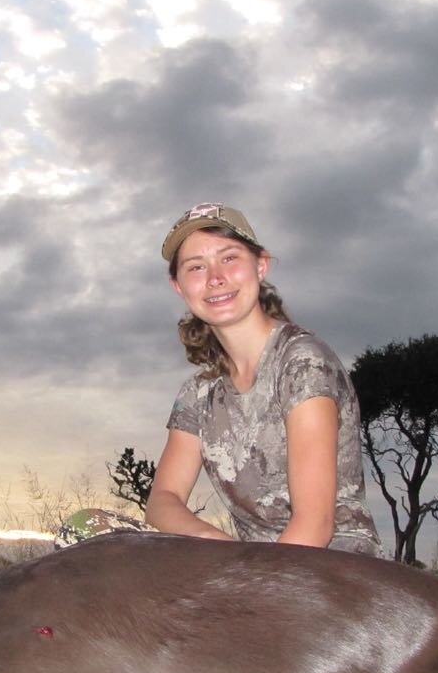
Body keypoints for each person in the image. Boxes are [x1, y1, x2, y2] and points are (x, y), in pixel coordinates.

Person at [56, 203, 382, 556]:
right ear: (178, 286)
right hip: (248, 565)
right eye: (196, 267)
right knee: (84, 531)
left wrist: (246, 582)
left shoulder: (302, 361)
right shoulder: (199, 393)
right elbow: (163, 501)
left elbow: (315, 524)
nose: (215, 278)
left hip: (328, 566)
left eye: (229, 258)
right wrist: (218, 549)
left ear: (261, 265)